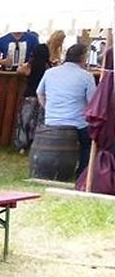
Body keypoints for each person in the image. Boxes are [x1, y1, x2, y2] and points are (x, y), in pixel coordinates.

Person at [37, 42, 98, 178]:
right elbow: (92, 102)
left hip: (52, 120)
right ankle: (82, 172)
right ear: (83, 58)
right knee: (88, 144)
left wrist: (48, 108)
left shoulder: (50, 72)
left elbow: (40, 93)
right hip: (77, 123)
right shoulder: (86, 76)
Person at [14, 43, 51, 153]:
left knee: (25, 121)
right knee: (39, 121)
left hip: (30, 95)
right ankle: (35, 143)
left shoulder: (31, 65)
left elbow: (20, 71)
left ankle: (22, 145)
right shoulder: (48, 67)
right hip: (43, 97)